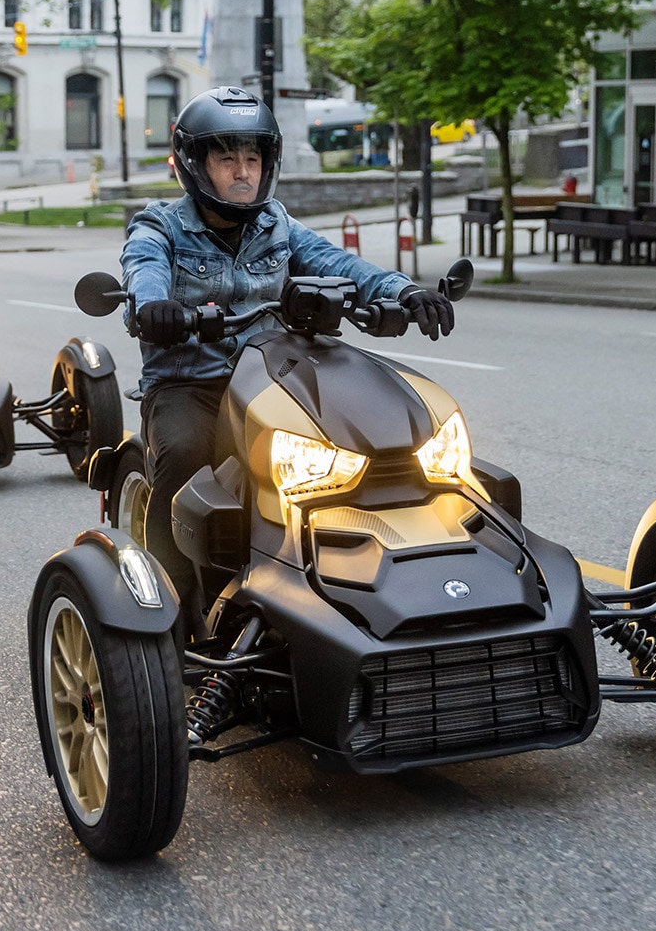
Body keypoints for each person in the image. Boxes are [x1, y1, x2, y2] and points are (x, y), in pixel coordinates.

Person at [121, 86, 455, 616]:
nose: (242, 171)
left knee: (358, 442)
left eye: (251, 158)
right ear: (194, 163)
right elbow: (144, 268)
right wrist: (154, 304)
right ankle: (166, 605)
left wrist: (403, 292)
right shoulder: (160, 224)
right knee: (186, 455)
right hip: (192, 384)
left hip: (273, 380)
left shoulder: (275, 222)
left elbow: (337, 263)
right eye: (226, 157)